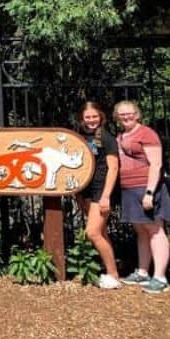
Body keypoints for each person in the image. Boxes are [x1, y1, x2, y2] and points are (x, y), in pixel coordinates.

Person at [115, 100, 170, 294]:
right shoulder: (122, 136)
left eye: (130, 113)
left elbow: (156, 164)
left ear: (137, 114)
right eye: (122, 114)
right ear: (117, 117)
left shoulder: (146, 133)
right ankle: (143, 272)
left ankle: (160, 277)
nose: (126, 117)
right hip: (129, 188)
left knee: (155, 230)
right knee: (141, 230)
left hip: (146, 187)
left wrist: (149, 192)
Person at [75, 102, 120, 289]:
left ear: (101, 116)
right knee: (101, 232)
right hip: (86, 188)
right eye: (88, 117)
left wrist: (106, 196)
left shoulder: (107, 138)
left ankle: (113, 275)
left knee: (92, 232)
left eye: (95, 116)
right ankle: (110, 271)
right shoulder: (79, 136)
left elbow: (114, 167)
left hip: (102, 189)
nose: (92, 120)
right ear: (82, 119)